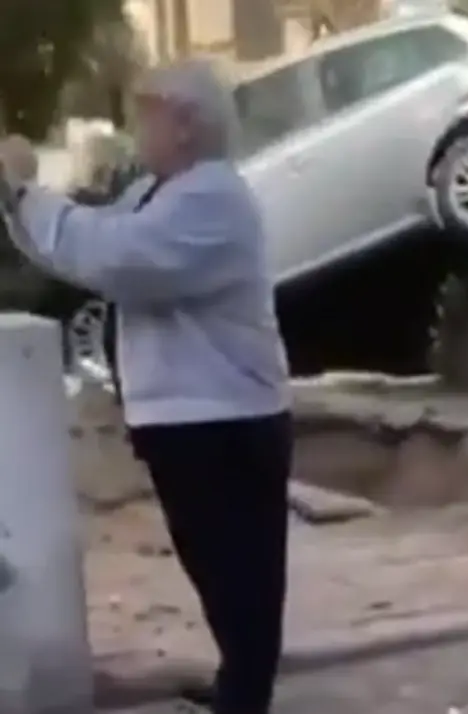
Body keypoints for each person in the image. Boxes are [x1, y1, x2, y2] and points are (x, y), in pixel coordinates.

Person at [0, 59, 292, 714]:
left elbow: (116, 257)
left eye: (148, 116)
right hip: (191, 421)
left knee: (239, 578)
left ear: (186, 124)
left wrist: (26, 192)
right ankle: (238, 686)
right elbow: (83, 248)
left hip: (224, 420)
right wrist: (18, 201)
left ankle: (245, 698)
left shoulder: (213, 197)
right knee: (219, 573)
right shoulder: (158, 192)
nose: (137, 130)